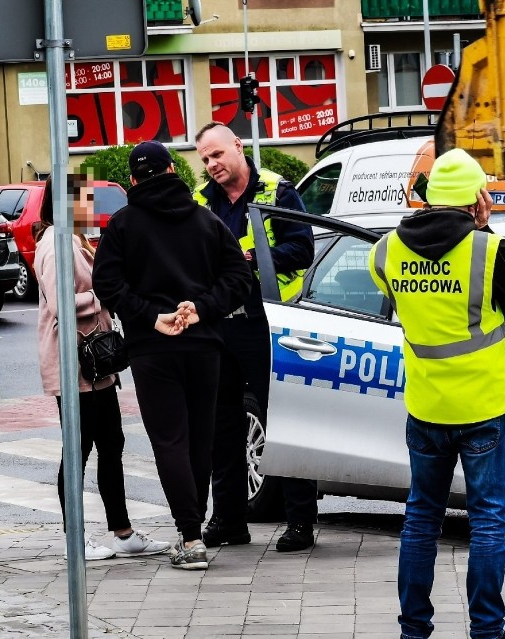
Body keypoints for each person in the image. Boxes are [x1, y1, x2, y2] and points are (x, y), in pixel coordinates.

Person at [368, 148, 505, 639]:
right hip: (484, 405)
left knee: (421, 518)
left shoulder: (385, 251)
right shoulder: (487, 249)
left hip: (426, 406)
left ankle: (413, 630)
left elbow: (393, 294)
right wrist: (485, 228)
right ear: (477, 200)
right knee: (487, 521)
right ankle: (487, 630)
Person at [93, 141, 251, 570]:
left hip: (153, 347)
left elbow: (106, 283)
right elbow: (239, 278)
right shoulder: (206, 219)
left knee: (170, 441)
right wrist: (201, 308)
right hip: (204, 346)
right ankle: (193, 532)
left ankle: (190, 537)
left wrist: (150, 315)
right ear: (170, 170)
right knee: (200, 440)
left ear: (132, 180)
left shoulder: (122, 225)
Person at [193, 122, 318, 553]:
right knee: (222, 424)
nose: (211, 165)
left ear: (238, 147)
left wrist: (250, 259)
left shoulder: (276, 192)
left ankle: (301, 521)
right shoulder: (201, 203)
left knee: (283, 420)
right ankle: (228, 519)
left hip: (268, 324)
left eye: (216, 155)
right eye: (205, 159)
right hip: (220, 325)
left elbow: (302, 248)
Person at [34, 172, 170, 561]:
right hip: (74, 364)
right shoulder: (55, 245)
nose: (90, 208)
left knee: (111, 444)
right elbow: (62, 304)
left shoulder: (74, 241)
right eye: (84, 201)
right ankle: (73, 538)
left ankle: (123, 532)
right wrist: (102, 295)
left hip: (95, 364)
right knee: (78, 450)